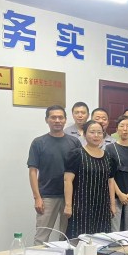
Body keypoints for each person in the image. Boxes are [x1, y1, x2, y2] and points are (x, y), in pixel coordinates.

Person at [27, 105, 81, 245]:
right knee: (41, 237)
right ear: (47, 120)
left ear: (65, 120)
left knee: (68, 237)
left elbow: (80, 170)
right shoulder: (38, 142)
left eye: (60, 117)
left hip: (70, 197)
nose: (57, 120)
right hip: (47, 196)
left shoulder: (74, 142)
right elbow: (32, 171)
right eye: (53, 117)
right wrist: (37, 197)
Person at [63, 120, 116, 237]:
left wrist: (112, 204)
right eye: (92, 132)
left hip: (102, 206)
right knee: (79, 239)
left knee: (101, 239)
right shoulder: (77, 154)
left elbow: (110, 181)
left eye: (99, 132)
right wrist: (68, 205)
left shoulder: (109, 157)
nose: (96, 135)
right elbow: (67, 180)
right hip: (81, 205)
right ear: (84, 134)